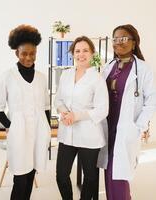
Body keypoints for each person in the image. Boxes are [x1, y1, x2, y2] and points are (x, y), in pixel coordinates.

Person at [97, 24, 156, 200]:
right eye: (115, 39)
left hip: (126, 126)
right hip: (108, 125)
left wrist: (138, 126)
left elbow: (152, 101)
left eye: (124, 38)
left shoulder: (144, 69)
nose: (118, 42)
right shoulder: (108, 66)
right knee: (110, 171)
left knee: (120, 173)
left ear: (134, 42)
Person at [0, 24, 51, 200]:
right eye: (24, 53)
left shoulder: (41, 77)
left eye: (32, 53)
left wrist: (47, 129)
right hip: (19, 133)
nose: (28, 57)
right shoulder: (7, 76)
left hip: (39, 132)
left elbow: (47, 106)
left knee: (32, 173)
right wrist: (11, 126)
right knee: (20, 178)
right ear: (16, 53)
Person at [55, 36, 109, 200]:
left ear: (92, 53)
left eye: (85, 50)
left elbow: (102, 110)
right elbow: (58, 100)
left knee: (90, 177)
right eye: (77, 51)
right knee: (61, 175)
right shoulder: (65, 75)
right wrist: (64, 112)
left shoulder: (97, 79)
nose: (81, 54)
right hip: (67, 133)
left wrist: (76, 116)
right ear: (73, 54)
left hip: (89, 135)